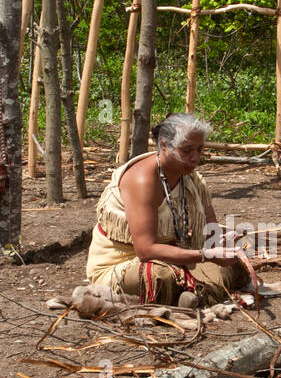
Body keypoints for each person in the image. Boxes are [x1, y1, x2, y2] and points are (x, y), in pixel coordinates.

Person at [84, 113, 249, 306]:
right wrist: (205, 255)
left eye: (200, 149)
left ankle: (191, 295)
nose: (195, 157)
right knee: (158, 277)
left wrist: (220, 244)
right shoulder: (142, 180)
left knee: (234, 265)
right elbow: (145, 251)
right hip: (129, 263)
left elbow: (210, 233)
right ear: (164, 146)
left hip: (178, 256)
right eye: (187, 150)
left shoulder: (193, 180)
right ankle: (197, 293)